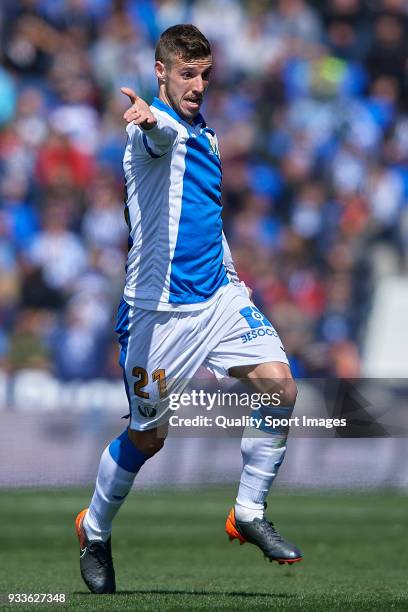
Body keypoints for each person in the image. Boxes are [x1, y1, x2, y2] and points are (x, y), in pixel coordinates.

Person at [75, 24, 302, 594]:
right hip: (156, 316)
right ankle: (95, 529)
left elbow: (205, 215)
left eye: (204, 74)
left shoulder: (208, 135)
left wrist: (231, 275)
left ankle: (247, 512)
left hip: (220, 300)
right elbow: (157, 139)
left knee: (281, 388)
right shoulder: (154, 134)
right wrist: (148, 120)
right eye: (186, 73)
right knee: (149, 437)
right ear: (161, 73)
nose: (198, 84)